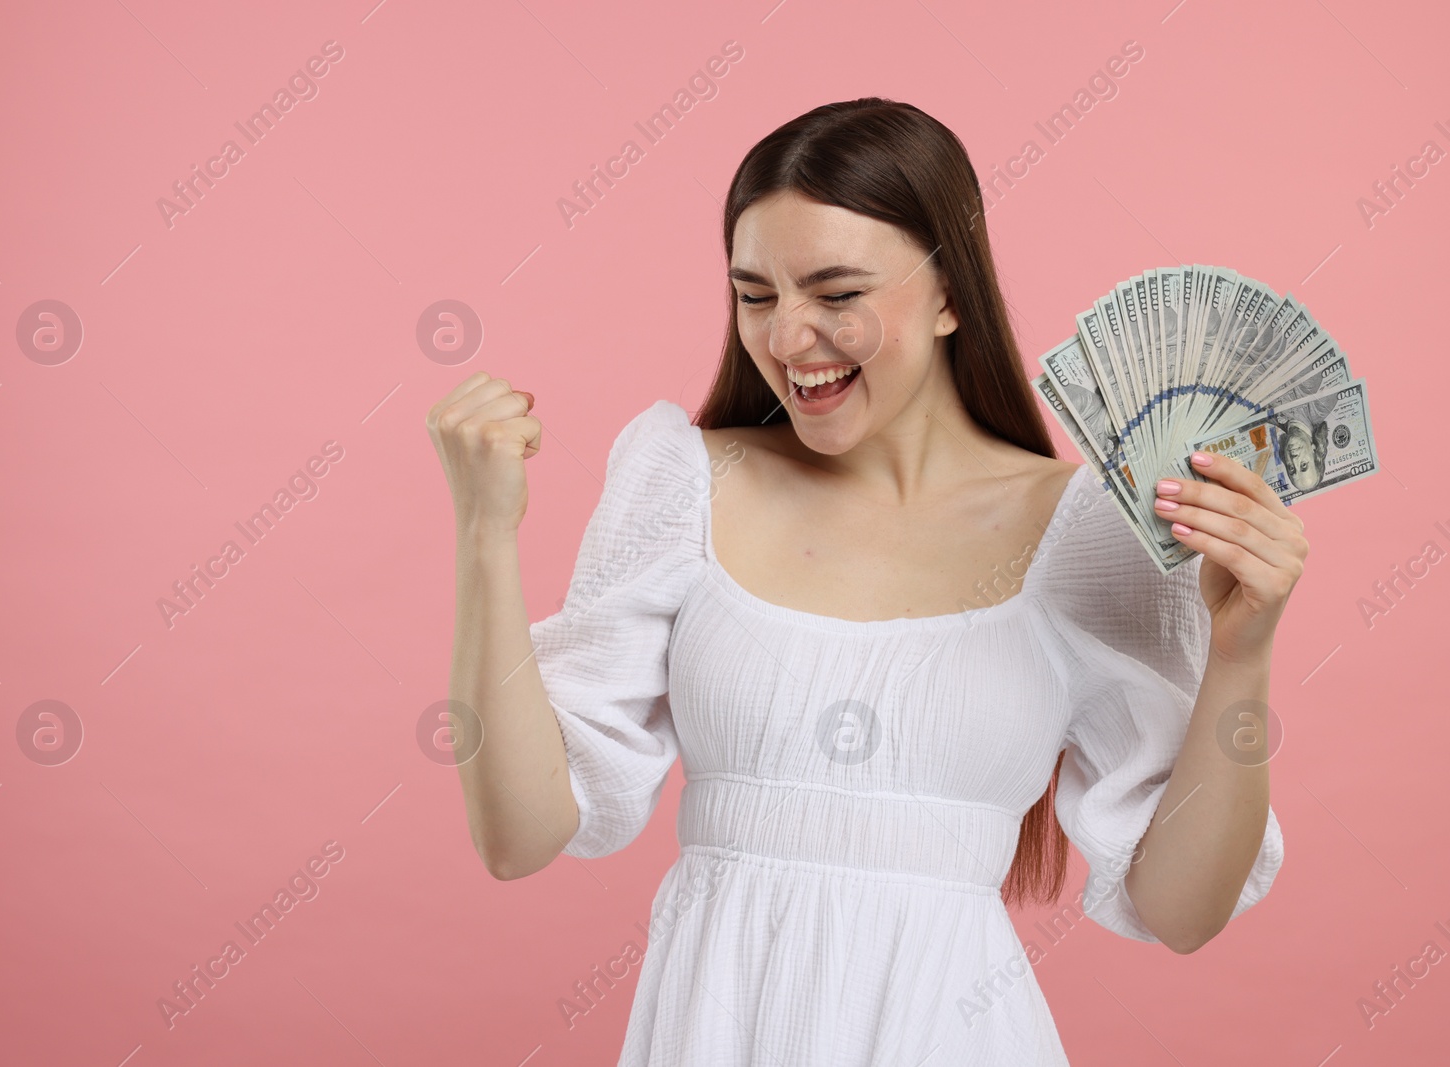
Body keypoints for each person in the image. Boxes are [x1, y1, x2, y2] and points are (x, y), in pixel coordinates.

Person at [426, 98, 1304, 1065]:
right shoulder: (683, 479)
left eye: (836, 293)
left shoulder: (1091, 530)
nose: (790, 338)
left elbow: (1180, 909)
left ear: (948, 295)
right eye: (754, 295)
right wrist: (485, 533)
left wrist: (1242, 648)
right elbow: (519, 834)